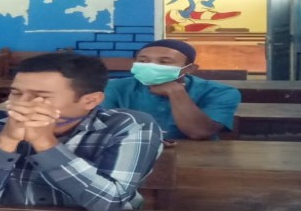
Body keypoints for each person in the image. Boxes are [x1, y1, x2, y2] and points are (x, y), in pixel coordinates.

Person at [0, 52, 163, 211]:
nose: (22, 104)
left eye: (41, 96)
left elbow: (108, 203)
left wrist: (45, 143)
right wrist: (7, 140)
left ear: (90, 100)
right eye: (16, 93)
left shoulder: (129, 126)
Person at [103, 39, 241, 140]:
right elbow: (105, 129)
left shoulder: (220, 92)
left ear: (189, 69)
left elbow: (199, 132)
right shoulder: (114, 87)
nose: (151, 66)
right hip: (131, 150)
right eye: (143, 61)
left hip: (197, 156)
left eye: (164, 62)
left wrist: (176, 92)